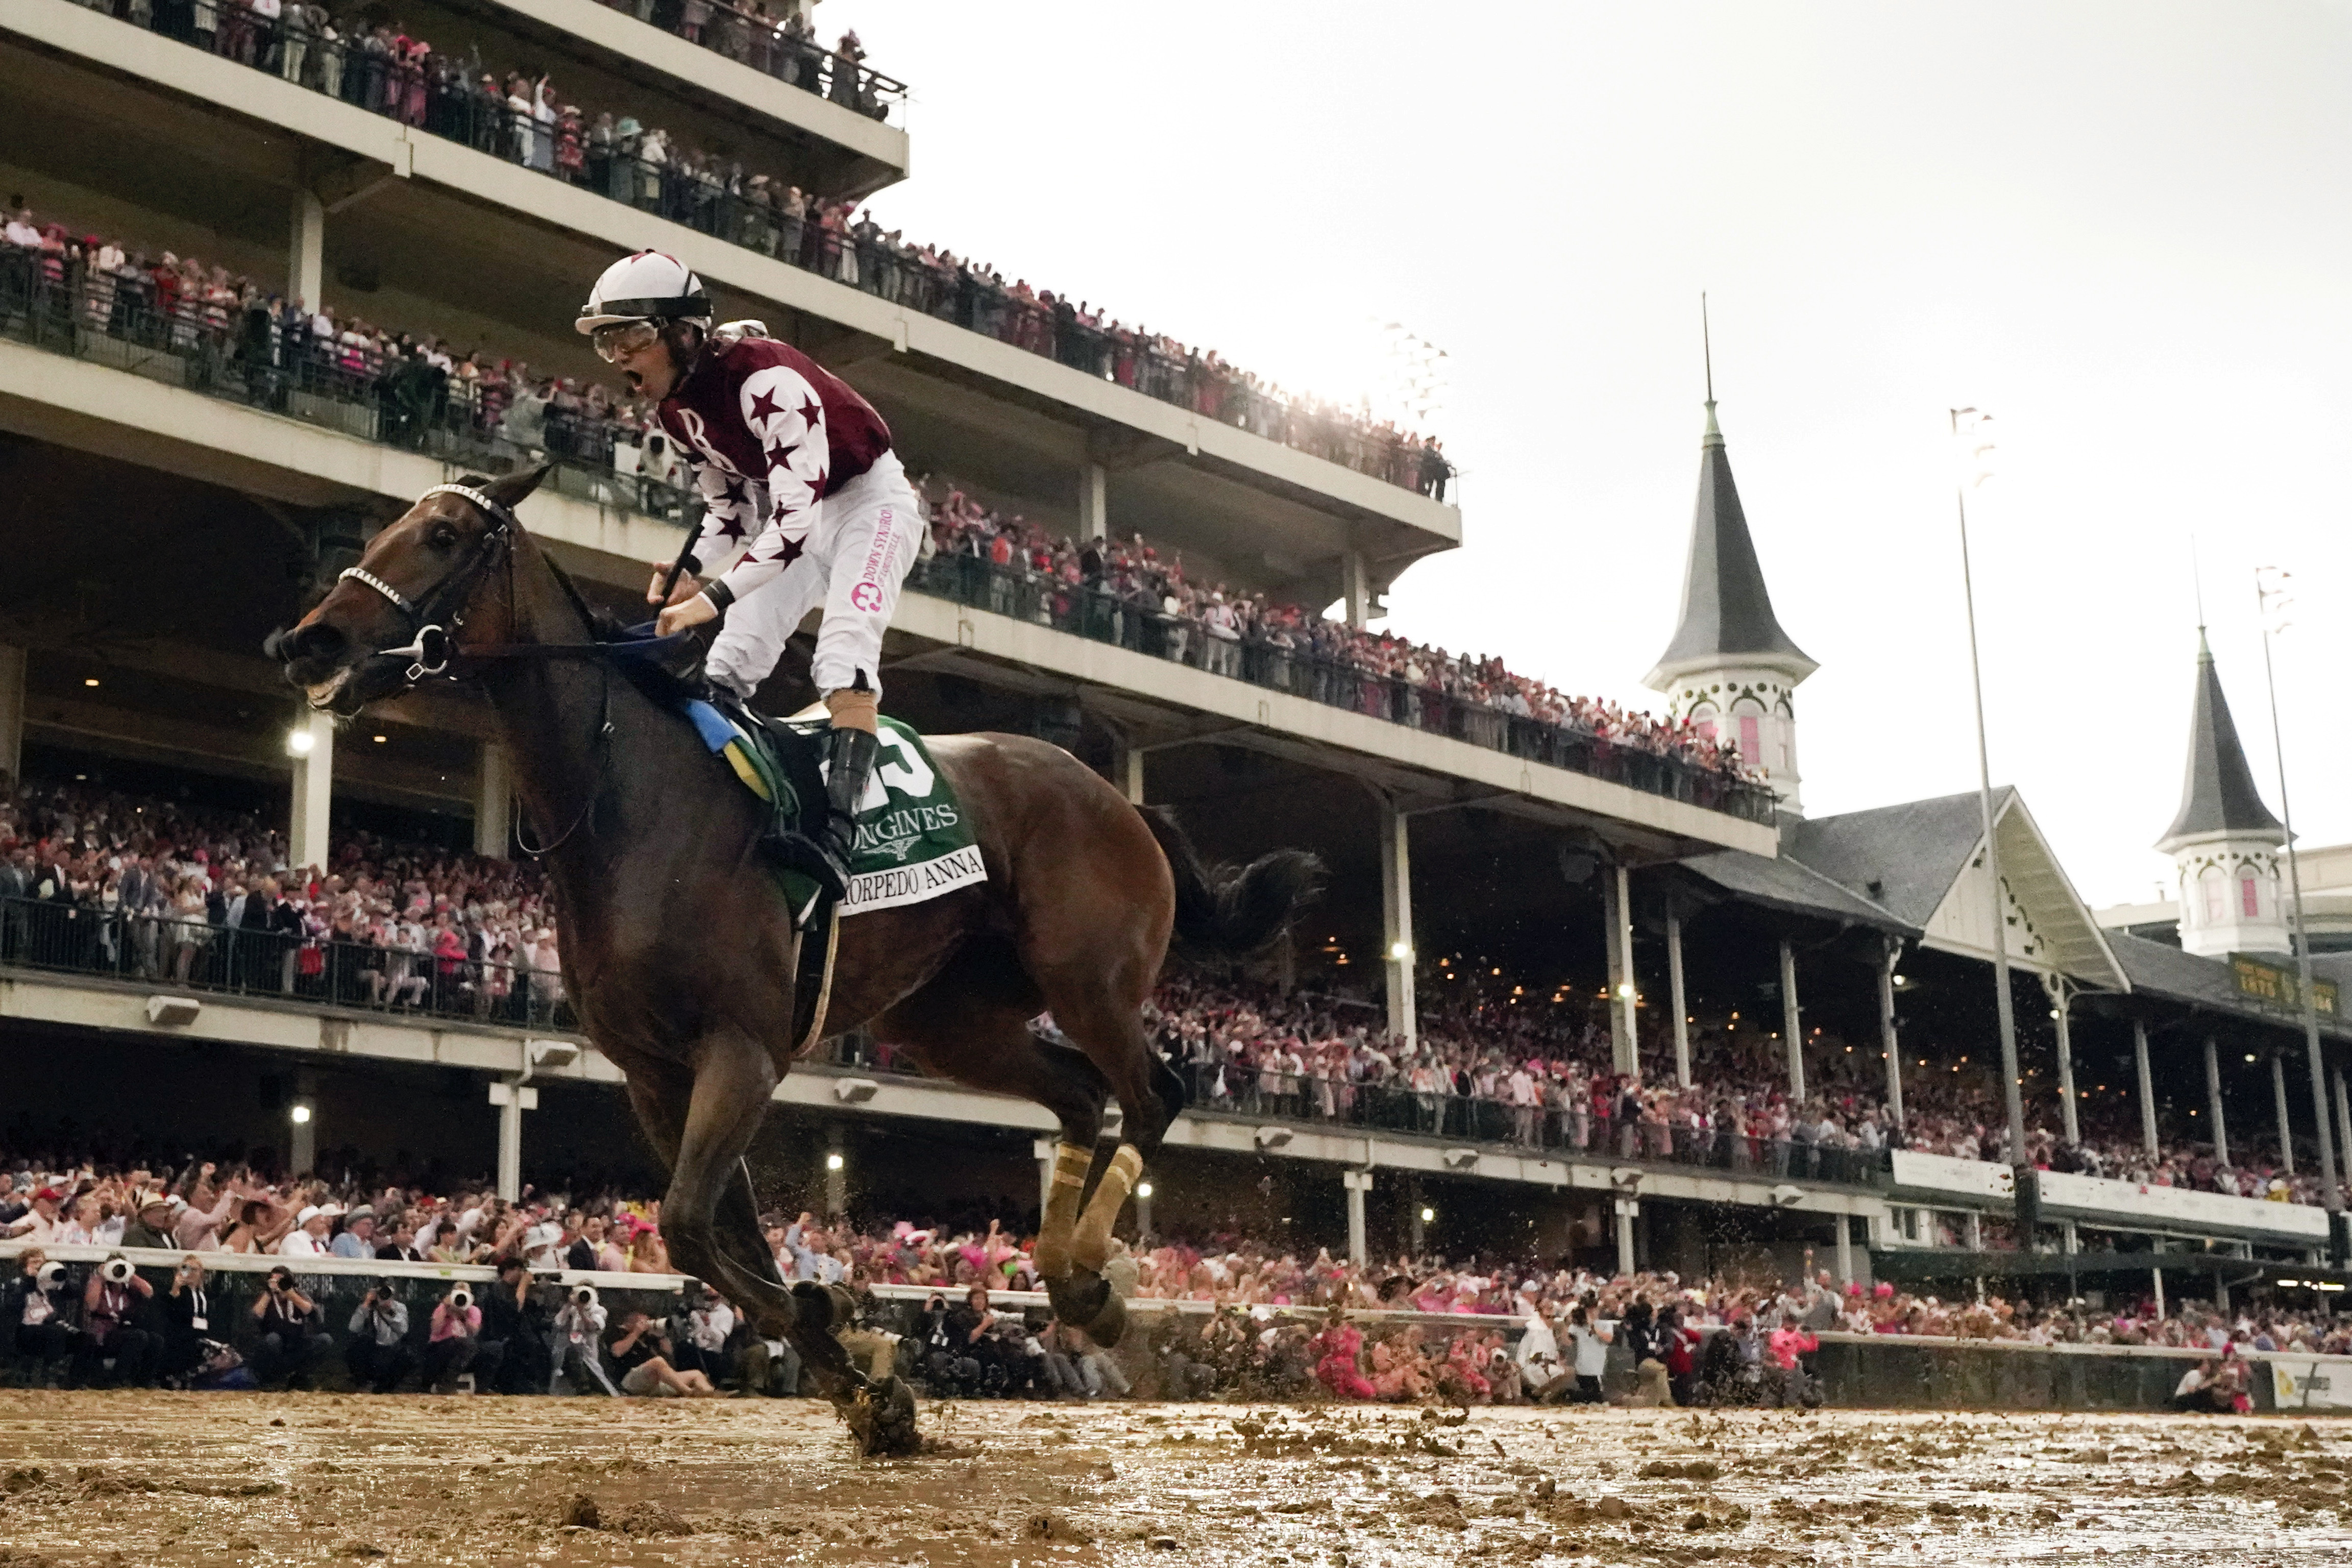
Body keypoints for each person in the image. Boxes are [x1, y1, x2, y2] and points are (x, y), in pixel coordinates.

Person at [577, 249, 922, 897]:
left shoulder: (769, 383)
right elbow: (730, 513)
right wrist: (691, 570)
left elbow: (791, 524)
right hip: (802, 513)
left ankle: (838, 841)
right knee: (726, 667)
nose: (621, 357)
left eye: (632, 337)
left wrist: (708, 599)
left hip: (869, 506)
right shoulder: (674, 413)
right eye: (608, 344)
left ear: (682, 334)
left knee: (842, 659)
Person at [605, 1308, 718, 1396]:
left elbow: (669, 1357)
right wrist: (636, 1333)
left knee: (696, 1374)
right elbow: (617, 1352)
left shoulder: (648, 1337)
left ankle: (710, 1394)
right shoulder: (617, 1332)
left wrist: (661, 1336)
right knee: (657, 1362)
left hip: (654, 1380)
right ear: (631, 1320)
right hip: (630, 1380)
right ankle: (688, 1392)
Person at [345, 1280, 416, 1392]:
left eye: (387, 1292)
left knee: (407, 1356)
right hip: (373, 1350)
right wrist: (366, 1304)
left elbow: (403, 1329)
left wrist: (389, 1312)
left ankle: (386, 1389)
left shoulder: (400, 1308)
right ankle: (363, 1385)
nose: (384, 1295)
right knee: (356, 1347)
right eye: (381, 1292)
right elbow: (353, 1328)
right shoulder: (368, 1308)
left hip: (392, 1350)